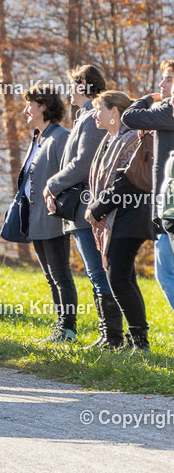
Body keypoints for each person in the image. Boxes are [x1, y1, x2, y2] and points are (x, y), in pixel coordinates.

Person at [45, 65, 114, 347]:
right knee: (95, 273)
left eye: (72, 86)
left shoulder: (90, 120)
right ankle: (107, 335)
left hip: (87, 208)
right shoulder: (84, 117)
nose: (69, 92)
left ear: (84, 86)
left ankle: (111, 335)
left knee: (99, 273)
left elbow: (83, 164)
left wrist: (53, 184)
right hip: (78, 209)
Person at [86, 91, 153, 351]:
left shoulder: (130, 138)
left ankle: (140, 342)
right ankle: (135, 340)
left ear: (114, 111)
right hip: (117, 217)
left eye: (99, 108)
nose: (95, 114)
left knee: (118, 279)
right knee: (125, 278)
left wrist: (98, 208)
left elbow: (126, 182)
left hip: (129, 216)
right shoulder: (109, 140)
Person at [19, 83, 76, 342]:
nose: (24, 110)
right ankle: (60, 327)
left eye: (29, 105)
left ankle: (69, 329)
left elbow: (71, 176)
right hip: (36, 217)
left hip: (54, 217)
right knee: (50, 276)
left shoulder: (60, 137)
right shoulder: (38, 137)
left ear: (43, 106)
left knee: (60, 274)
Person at [121, 57, 174, 313]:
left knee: (166, 275)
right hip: (165, 208)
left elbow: (129, 117)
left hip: (169, 209)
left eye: (169, 79)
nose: (162, 83)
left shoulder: (169, 112)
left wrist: (146, 99)